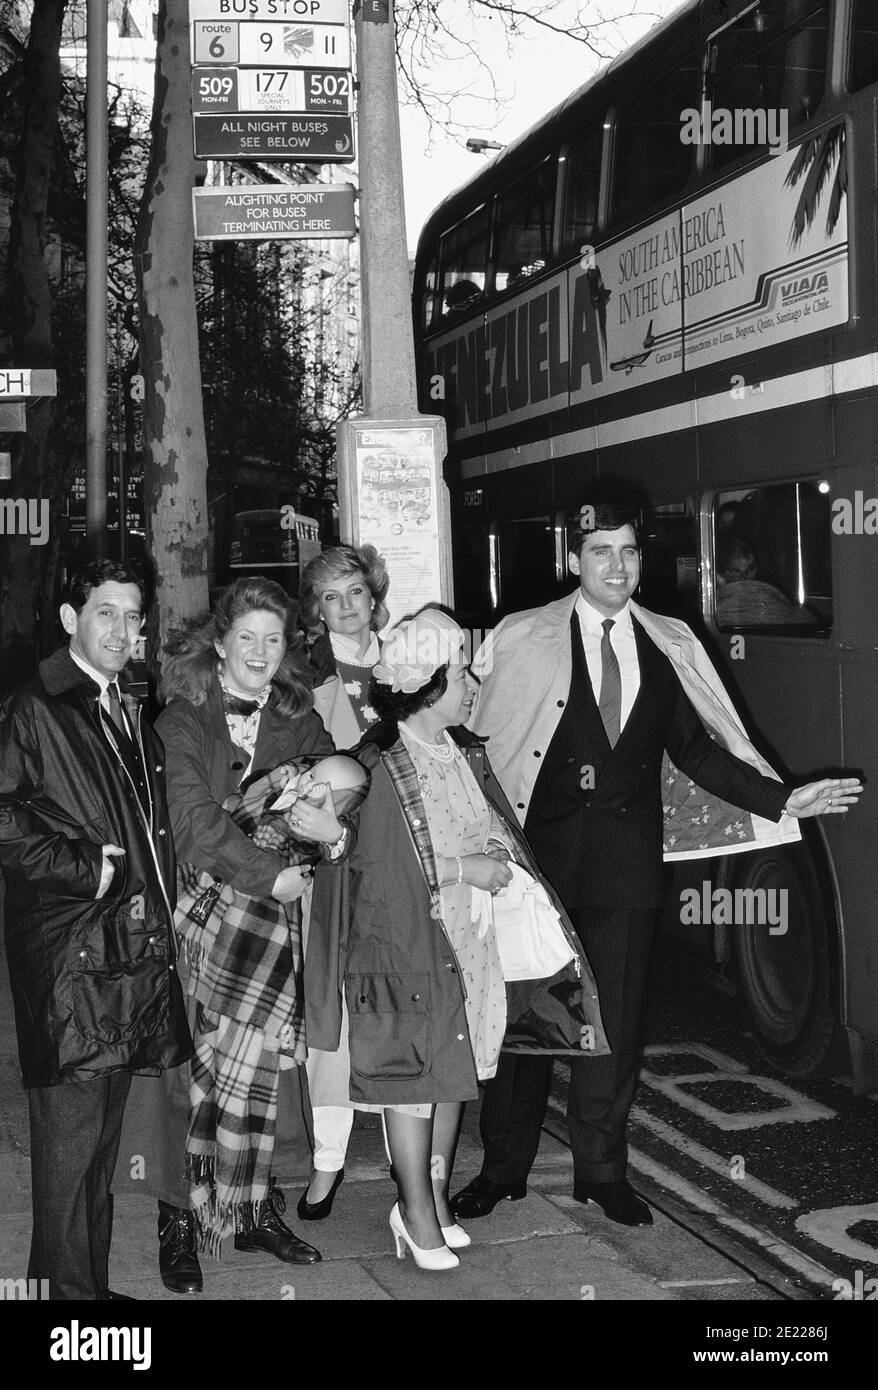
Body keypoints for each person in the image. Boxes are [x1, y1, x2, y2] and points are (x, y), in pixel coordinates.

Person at [452, 502, 863, 1228]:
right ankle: (501, 1167)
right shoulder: (523, 635)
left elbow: (698, 751)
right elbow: (476, 740)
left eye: (630, 551)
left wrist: (784, 799)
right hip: (534, 865)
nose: (617, 565)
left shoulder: (669, 641)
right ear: (574, 562)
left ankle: (601, 1172)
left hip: (626, 867)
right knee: (525, 1022)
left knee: (613, 1023)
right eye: (601, 551)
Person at [306, 608, 608, 1271]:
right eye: (460, 672)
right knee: (412, 1082)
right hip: (404, 947)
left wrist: (500, 859)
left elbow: (489, 824)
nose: (473, 681)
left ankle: (434, 1199)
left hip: (464, 940)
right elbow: (377, 868)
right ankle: (414, 1213)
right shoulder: (375, 765)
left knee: (450, 1075)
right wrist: (467, 868)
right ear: (426, 683)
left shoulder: (462, 751)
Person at [0, 559, 191, 1301]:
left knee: (97, 1148)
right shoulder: (36, 707)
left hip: (122, 954)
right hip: (74, 957)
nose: (120, 629)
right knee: (70, 1152)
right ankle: (67, 1311)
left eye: (132, 614)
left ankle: (83, 1294)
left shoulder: (121, 704)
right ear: (70, 619)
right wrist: (89, 870)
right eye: (105, 612)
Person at [152, 577, 352, 1268]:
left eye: (274, 638)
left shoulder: (301, 719)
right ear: (220, 642)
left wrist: (330, 834)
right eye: (248, 638)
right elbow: (193, 823)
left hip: (271, 922)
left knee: (258, 1064)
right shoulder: (181, 718)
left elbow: (340, 798)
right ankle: (180, 1220)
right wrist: (273, 874)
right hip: (204, 915)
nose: (261, 651)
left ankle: (253, 1209)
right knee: (197, 1068)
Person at [295, 543, 389, 1219]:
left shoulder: (412, 660)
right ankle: (327, 1163)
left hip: (400, 864)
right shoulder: (301, 676)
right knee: (329, 1015)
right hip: (329, 867)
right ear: (315, 608)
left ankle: (406, 1152)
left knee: (400, 1004)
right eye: (330, 597)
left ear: (374, 593)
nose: (346, 607)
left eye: (354, 591)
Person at [715, 536, 817, 627]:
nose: (745, 575)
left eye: (750, 569)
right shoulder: (796, 613)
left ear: (718, 576)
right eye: (737, 571)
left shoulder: (712, 617)